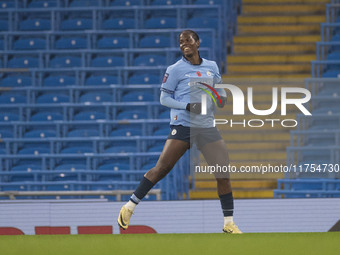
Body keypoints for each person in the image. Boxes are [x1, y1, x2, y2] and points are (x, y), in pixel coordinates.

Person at [118, 30, 242, 234]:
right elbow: (164, 99)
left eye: (188, 40)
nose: (184, 44)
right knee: (162, 168)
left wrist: (220, 97)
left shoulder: (211, 67)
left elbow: (219, 92)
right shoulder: (175, 69)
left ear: (197, 43)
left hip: (207, 126)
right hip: (183, 125)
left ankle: (228, 222)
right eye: (181, 42)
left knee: (223, 174)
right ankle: (129, 207)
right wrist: (187, 106)